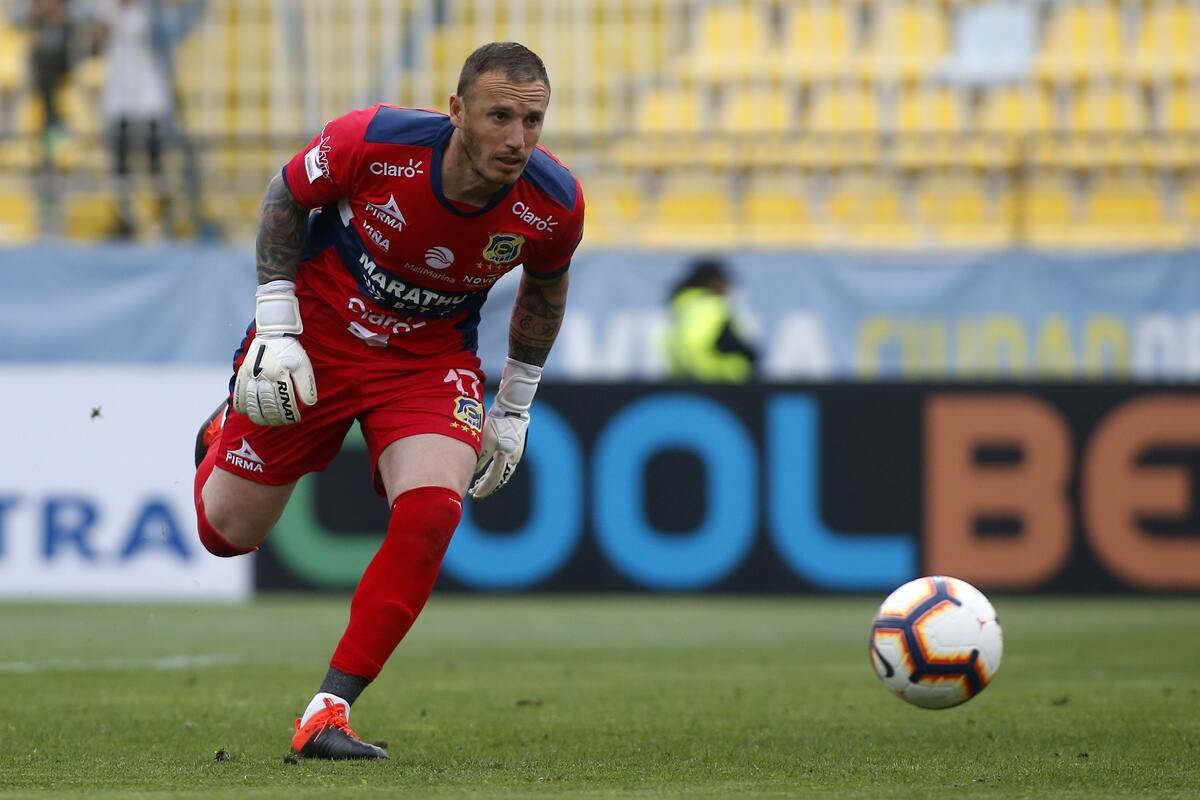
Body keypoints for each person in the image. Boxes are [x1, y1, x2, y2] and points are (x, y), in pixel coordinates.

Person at [192, 42, 584, 760]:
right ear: (457, 110)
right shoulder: (376, 141)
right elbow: (286, 196)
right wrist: (276, 324)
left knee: (434, 509)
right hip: (319, 336)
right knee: (226, 534)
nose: (517, 138)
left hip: (427, 361)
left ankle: (328, 712)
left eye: (533, 120)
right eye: (499, 116)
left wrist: (515, 405)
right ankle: (221, 432)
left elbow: (546, 290)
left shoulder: (554, 202)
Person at [93, 0, 208, 238]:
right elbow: (94, 46)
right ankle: (124, 217)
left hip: (150, 95)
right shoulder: (107, 10)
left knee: (156, 159)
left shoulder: (151, 10)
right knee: (121, 162)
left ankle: (163, 215)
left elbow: (176, 30)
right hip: (119, 96)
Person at [664, 257, 757, 382]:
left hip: (683, 378)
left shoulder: (683, 306)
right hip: (720, 379)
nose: (728, 288)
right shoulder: (713, 305)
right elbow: (723, 341)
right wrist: (749, 353)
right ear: (714, 282)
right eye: (725, 282)